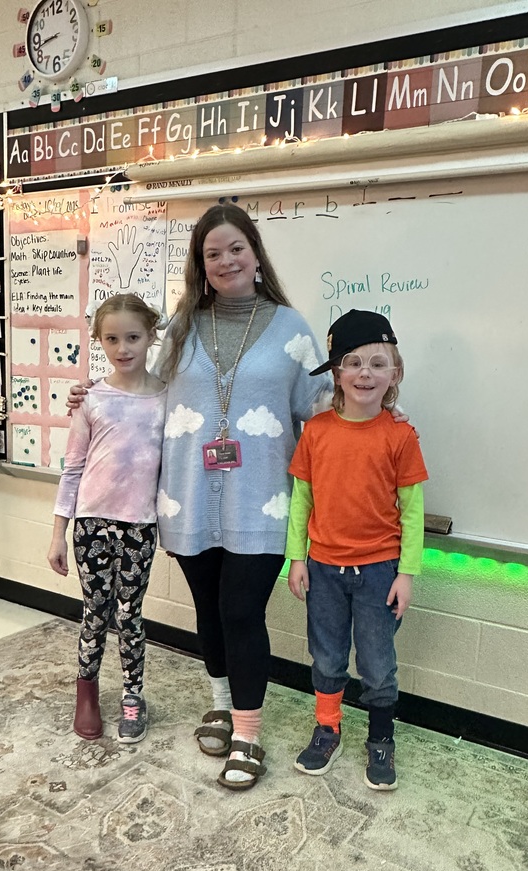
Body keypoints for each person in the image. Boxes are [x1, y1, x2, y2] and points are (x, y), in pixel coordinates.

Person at [69, 204, 330, 788]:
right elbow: (142, 394)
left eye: (235, 248)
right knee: (209, 611)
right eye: (212, 253)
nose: (225, 261)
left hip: (261, 501)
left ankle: (248, 734)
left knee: (241, 610)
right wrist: (90, 400)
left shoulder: (291, 329)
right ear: (200, 264)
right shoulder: (180, 328)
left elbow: (321, 412)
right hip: (185, 497)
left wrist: (382, 416)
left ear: (255, 253)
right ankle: (220, 701)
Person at [285, 309, 428, 791]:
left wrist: (406, 573)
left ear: (395, 374)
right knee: (326, 658)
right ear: (337, 374)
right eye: (352, 362)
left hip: (379, 572)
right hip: (323, 568)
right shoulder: (318, 431)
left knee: (376, 664)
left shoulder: (401, 436)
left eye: (377, 363)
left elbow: (412, 511)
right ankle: (328, 728)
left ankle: (381, 739)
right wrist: (297, 557)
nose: (365, 372)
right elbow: (301, 500)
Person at [48, 293, 166, 745]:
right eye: (112, 338)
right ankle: (87, 691)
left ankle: (133, 695)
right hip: (92, 524)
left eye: (133, 337)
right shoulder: (91, 399)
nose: (124, 348)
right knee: (95, 612)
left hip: (140, 525)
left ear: (151, 336)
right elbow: (72, 468)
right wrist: (58, 534)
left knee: (130, 613)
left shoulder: (166, 398)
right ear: (98, 340)